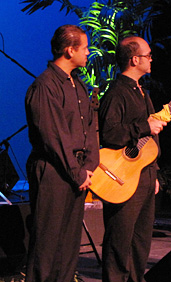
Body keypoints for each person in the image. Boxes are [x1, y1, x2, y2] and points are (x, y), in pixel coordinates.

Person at [24, 24, 99, 282]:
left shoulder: (78, 86)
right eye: (85, 47)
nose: (88, 52)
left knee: (69, 247)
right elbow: (54, 137)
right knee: (47, 245)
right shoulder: (45, 86)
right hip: (55, 172)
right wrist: (77, 173)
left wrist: (89, 165)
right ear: (70, 50)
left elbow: (89, 128)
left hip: (76, 172)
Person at [98, 36, 167, 282]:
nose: (151, 59)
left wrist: (154, 171)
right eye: (147, 55)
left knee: (140, 241)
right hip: (124, 177)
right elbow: (110, 134)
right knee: (120, 239)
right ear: (134, 59)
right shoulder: (116, 93)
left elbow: (150, 140)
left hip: (145, 175)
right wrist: (143, 125)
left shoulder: (142, 92)